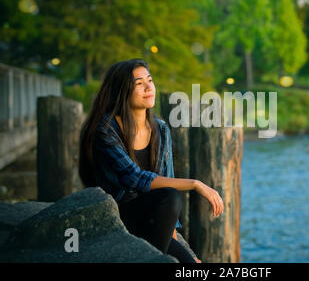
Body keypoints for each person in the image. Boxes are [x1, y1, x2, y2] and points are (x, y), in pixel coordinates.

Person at [79, 59, 224, 263]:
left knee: (192, 265)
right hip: (117, 214)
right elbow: (135, 178)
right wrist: (195, 184)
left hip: (152, 217)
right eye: (139, 83)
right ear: (122, 90)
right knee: (172, 196)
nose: (148, 87)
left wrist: (179, 244)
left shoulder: (160, 128)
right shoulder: (106, 130)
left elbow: (166, 178)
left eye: (150, 80)